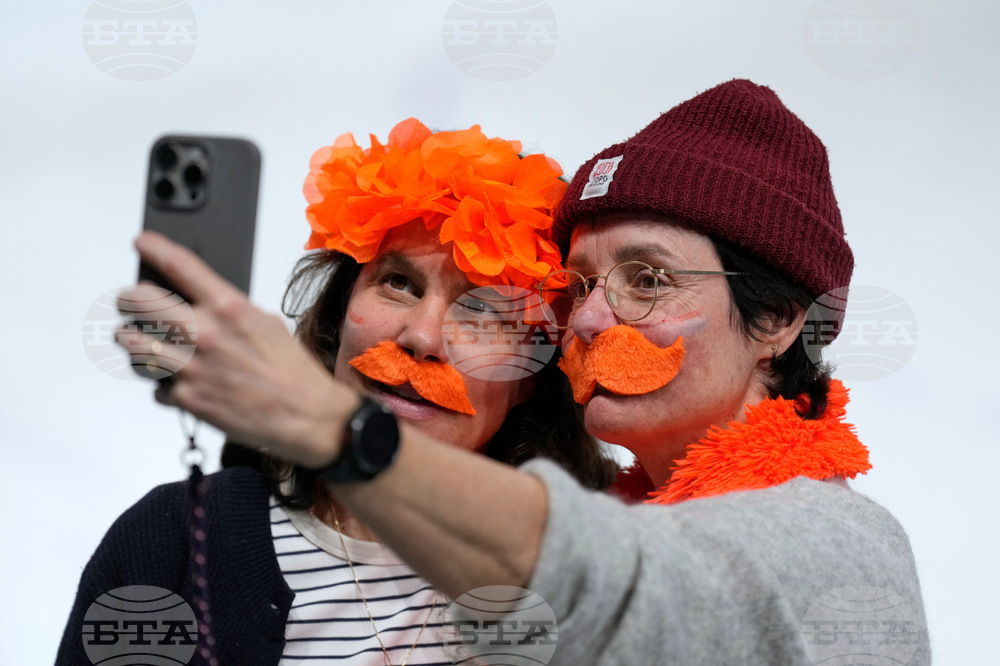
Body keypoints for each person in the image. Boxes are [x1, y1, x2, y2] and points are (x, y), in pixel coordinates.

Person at [103, 80, 930, 665]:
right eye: (576, 289)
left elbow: (614, 577)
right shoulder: (182, 534)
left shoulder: (838, 544)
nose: (595, 318)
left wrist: (324, 425)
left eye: (649, 280)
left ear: (781, 319)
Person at [57, 119, 616, 665]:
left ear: (532, 381)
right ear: (337, 318)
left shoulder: (601, 568)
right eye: (398, 283)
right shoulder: (172, 541)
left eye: (487, 313)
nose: (422, 338)